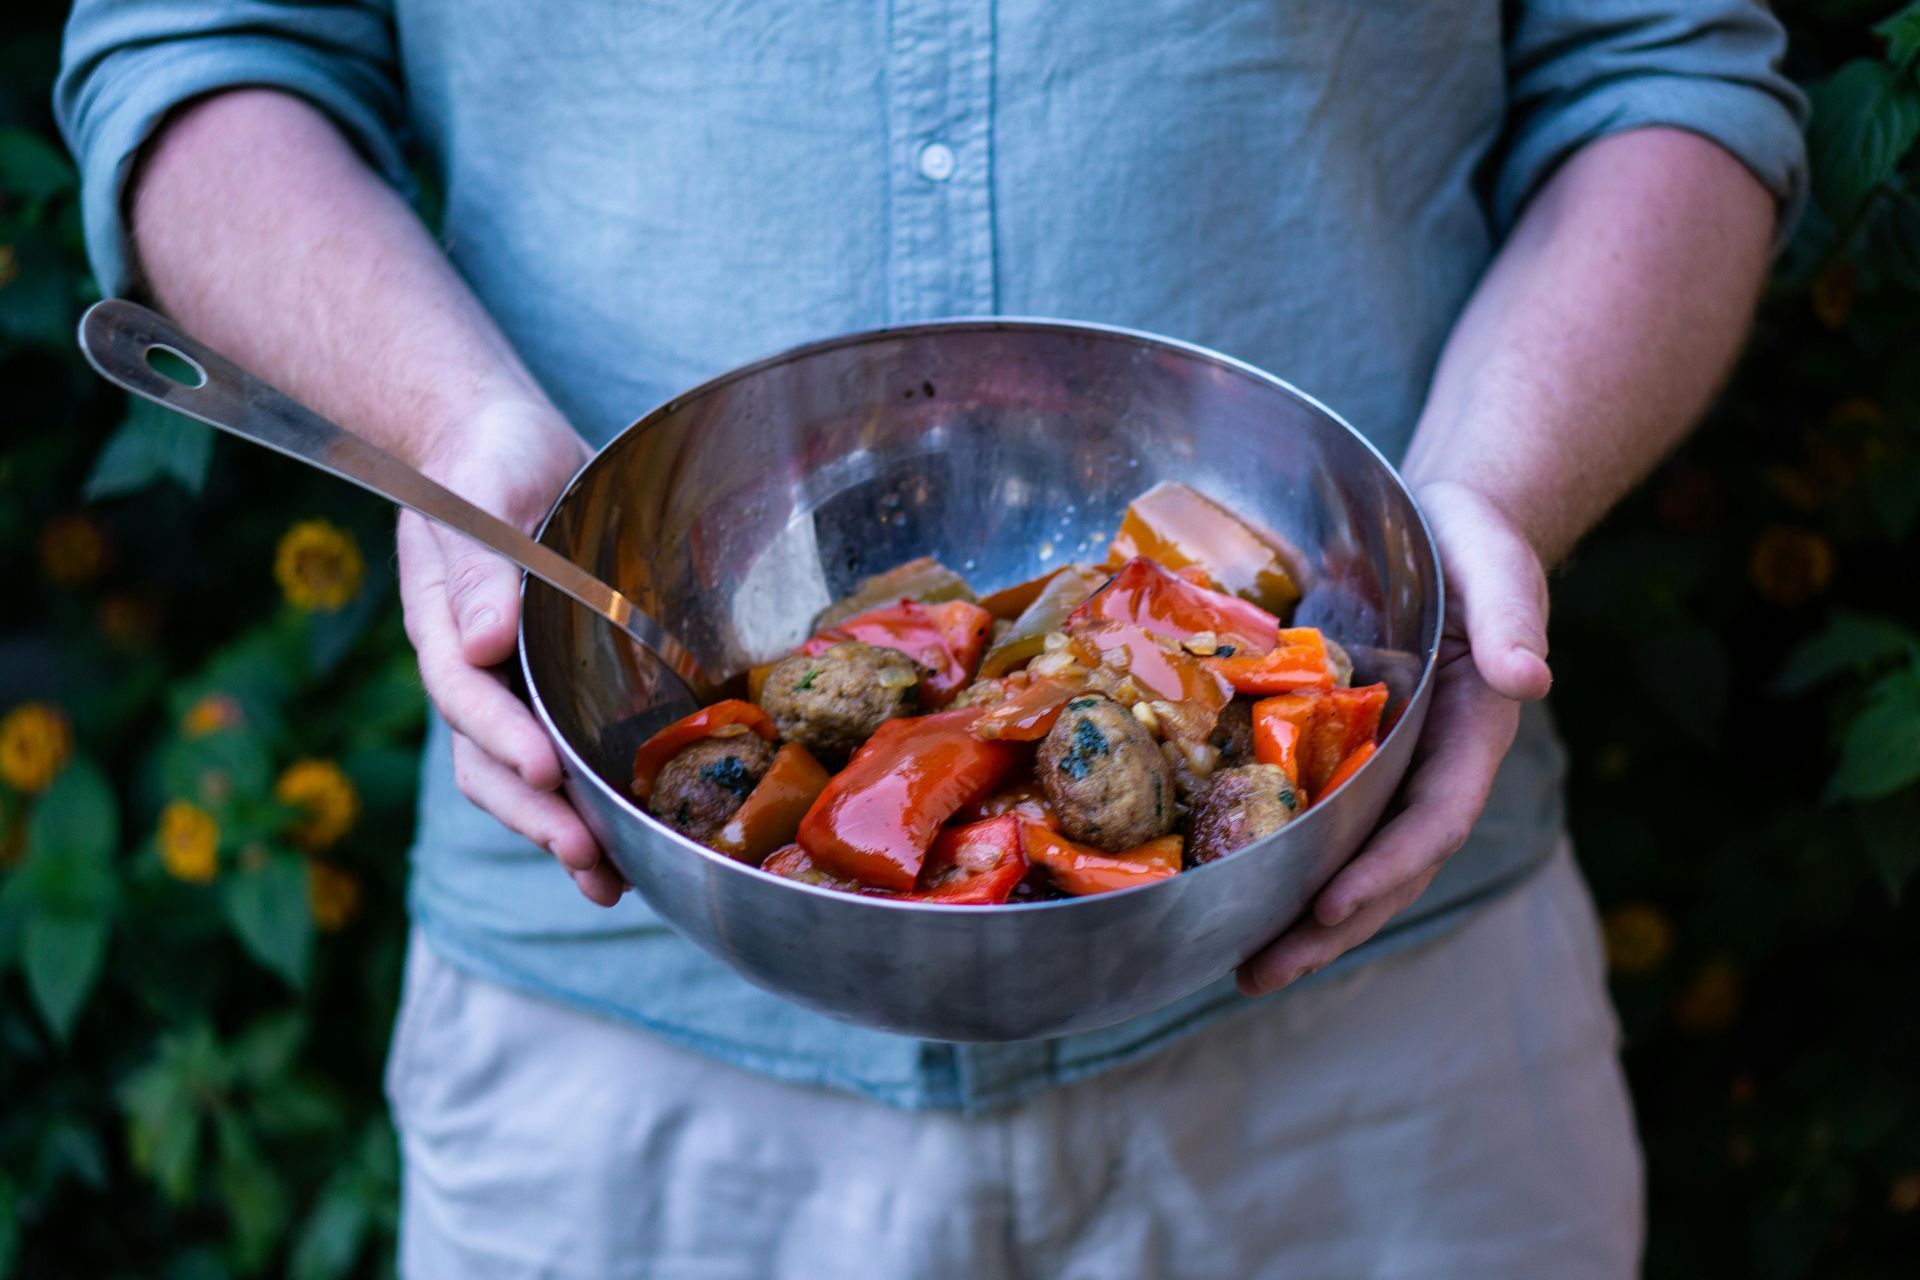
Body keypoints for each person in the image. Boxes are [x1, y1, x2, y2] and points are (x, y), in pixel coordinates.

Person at [58, 3, 1805, 1275]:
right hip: (622, 1055)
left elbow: (1665, 73)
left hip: (1382, 1045)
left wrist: (1492, 495)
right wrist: (443, 428)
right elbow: (203, 47)